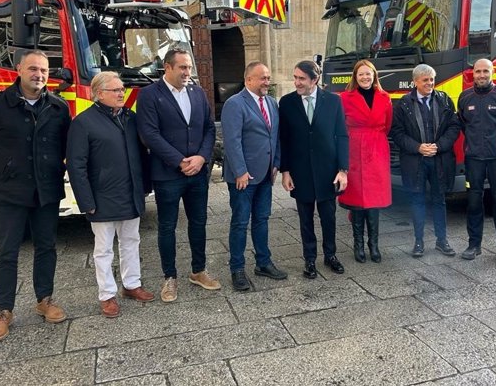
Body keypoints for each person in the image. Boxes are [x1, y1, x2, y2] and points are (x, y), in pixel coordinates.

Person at [0, 50, 71, 342]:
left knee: (47, 247)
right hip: (9, 193)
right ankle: (4, 311)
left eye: (44, 71)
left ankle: (45, 299)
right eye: (33, 69)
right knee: (6, 253)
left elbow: (66, 147)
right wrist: (2, 173)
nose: (39, 75)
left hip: (46, 191)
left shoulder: (58, 107)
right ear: (19, 70)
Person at [66, 72, 154, 317]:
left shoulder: (130, 118)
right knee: (104, 249)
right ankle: (107, 295)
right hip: (102, 196)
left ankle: (132, 285)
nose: (121, 93)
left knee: (131, 241)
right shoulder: (83, 123)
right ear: (99, 93)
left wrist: (145, 185)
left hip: (131, 192)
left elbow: (142, 155)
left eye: (121, 89)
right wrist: (85, 201)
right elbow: (76, 165)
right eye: (115, 90)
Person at [137, 47, 220, 302]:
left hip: (196, 173)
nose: (187, 72)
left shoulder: (197, 92)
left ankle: (198, 271)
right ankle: (169, 277)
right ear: (168, 67)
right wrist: (179, 161)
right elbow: (149, 134)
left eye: (189, 68)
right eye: (182, 67)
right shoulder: (150, 95)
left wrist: (202, 157)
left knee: (198, 223)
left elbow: (208, 128)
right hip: (168, 174)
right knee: (167, 227)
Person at [279, 60, 349, 279]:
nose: (296, 82)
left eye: (301, 78)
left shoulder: (333, 101)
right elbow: (284, 139)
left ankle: (331, 255)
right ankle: (309, 259)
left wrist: (343, 169)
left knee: (329, 216)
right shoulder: (287, 102)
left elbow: (342, 136)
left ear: (315, 79)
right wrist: (286, 171)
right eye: (295, 77)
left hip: (328, 170)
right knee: (305, 218)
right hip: (300, 171)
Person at [221, 62, 287, 291]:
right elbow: (232, 141)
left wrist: (277, 162)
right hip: (243, 177)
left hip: (266, 174)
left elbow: (275, 135)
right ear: (248, 79)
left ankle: (263, 262)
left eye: (268, 78)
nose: (267, 82)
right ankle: (237, 268)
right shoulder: (234, 104)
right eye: (262, 78)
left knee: (262, 219)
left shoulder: (271, 102)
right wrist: (240, 171)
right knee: (240, 222)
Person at [391, 64, 461, 258]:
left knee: (440, 201)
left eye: (432, 79)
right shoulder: (404, 104)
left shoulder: (444, 99)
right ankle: (419, 242)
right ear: (415, 82)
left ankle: (442, 241)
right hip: (415, 161)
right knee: (417, 201)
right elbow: (397, 133)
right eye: (425, 80)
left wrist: (439, 146)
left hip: (440, 159)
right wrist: (418, 147)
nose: (430, 83)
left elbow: (454, 127)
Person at [457, 58, 496, 265]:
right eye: (478, 71)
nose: (481, 75)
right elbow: (464, 125)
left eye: (485, 71)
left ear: (493, 73)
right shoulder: (465, 98)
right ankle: (474, 245)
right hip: (473, 159)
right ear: (472, 73)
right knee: (473, 203)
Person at [338, 60, 392, 263]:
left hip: (377, 149)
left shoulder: (384, 97)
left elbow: (387, 124)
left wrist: (374, 139)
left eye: (368, 74)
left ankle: (374, 245)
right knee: (357, 200)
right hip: (354, 150)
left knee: (374, 201)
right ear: (355, 77)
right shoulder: (344, 98)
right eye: (361, 74)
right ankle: (358, 244)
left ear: (374, 75)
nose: (365, 78)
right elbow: (340, 126)